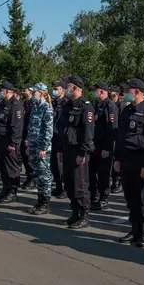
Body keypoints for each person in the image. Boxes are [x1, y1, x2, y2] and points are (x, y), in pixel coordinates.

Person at [114, 80, 144, 248]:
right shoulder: (126, 111)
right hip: (127, 160)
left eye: (128, 90)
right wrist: (118, 158)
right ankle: (135, 230)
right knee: (131, 197)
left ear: (137, 92)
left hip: (142, 161)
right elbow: (121, 137)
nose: (126, 93)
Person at [58, 75, 95, 229]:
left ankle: (84, 215)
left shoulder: (86, 107)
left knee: (80, 185)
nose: (65, 88)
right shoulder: (67, 105)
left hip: (79, 151)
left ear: (75, 87)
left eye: (67, 85)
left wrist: (83, 153)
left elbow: (88, 132)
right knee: (69, 183)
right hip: (67, 149)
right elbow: (62, 129)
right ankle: (74, 213)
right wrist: (60, 148)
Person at [89, 82, 118, 211]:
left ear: (102, 92)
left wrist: (107, 148)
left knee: (103, 173)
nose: (94, 93)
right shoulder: (95, 105)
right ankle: (94, 195)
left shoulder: (110, 106)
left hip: (104, 146)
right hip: (94, 145)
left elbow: (112, 130)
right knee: (92, 172)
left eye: (96, 91)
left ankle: (104, 198)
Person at [27, 83, 55, 215]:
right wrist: (28, 141)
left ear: (42, 93)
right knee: (37, 174)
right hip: (33, 145)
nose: (32, 94)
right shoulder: (35, 107)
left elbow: (48, 130)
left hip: (42, 148)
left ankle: (45, 203)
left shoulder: (47, 108)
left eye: (34, 92)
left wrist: (43, 147)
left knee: (44, 175)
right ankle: (39, 200)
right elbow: (31, 126)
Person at [0, 82, 25, 203]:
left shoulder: (16, 105)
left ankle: (12, 191)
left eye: (1, 90)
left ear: (7, 91)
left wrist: (13, 143)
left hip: (10, 141)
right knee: (3, 167)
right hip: (1, 139)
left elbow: (17, 127)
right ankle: (5, 189)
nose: (0, 93)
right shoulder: (2, 104)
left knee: (11, 167)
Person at [50, 80, 67, 197]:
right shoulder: (53, 102)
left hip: (61, 138)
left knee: (61, 165)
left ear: (63, 90)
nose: (54, 91)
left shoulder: (66, 103)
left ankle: (65, 188)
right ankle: (58, 186)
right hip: (52, 137)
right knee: (53, 164)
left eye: (57, 89)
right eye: (54, 88)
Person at [20, 84, 35, 189]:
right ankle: (29, 177)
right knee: (24, 156)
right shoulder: (24, 103)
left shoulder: (34, 104)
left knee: (29, 157)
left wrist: (29, 137)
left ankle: (33, 179)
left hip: (30, 134)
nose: (23, 91)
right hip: (22, 133)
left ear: (30, 91)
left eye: (25, 90)